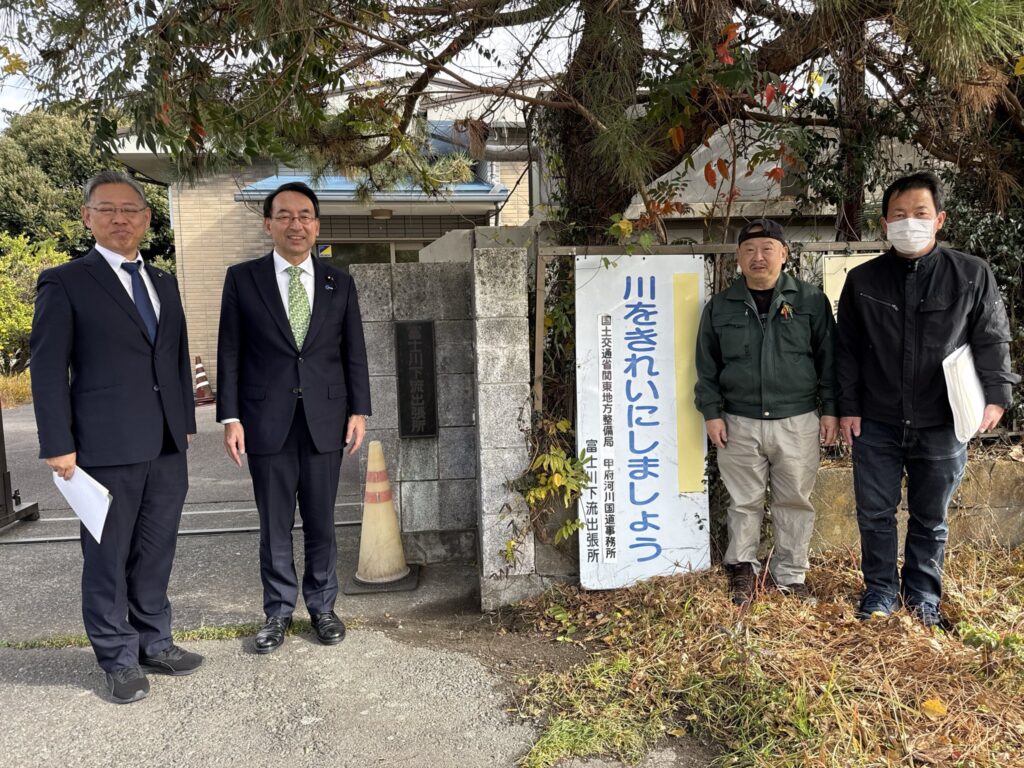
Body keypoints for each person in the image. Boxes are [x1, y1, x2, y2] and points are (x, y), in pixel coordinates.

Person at [30, 171, 201, 704]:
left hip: (166, 444)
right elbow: (47, 369)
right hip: (103, 446)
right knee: (107, 556)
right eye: (107, 209)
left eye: (131, 210)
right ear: (88, 217)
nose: (120, 219)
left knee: (156, 550)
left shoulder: (164, 281)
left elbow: (174, 357)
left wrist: (185, 423)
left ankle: (155, 642)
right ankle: (118, 658)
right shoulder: (65, 282)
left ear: (147, 219)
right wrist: (58, 443)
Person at [836, 170, 1018, 627]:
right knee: (875, 514)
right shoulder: (862, 280)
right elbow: (847, 350)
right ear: (884, 224)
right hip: (876, 420)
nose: (909, 222)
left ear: (939, 219)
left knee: (930, 516)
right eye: (898, 215)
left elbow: (991, 337)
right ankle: (879, 591)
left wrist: (996, 396)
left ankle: (922, 597)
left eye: (920, 213)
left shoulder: (971, 274)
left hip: (943, 419)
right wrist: (847, 407)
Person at [217, 181, 371, 654]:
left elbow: (354, 352)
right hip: (266, 421)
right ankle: (278, 612)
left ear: (317, 225)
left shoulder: (338, 282)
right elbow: (230, 352)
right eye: (284, 215)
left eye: (304, 215)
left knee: (322, 521)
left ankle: (322, 607)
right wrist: (230, 418)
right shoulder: (243, 279)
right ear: (268, 224)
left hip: (326, 419)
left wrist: (359, 410)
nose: (295, 224)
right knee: (275, 524)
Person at [695, 219, 838, 606]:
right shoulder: (720, 306)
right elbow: (707, 366)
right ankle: (742, 568)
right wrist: (712, 412)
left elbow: (829, 361)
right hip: (738, 421)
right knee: (744, 501)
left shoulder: (810, 301)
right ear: (738, 257)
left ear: (784, 254)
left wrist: (830, 411)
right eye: (749, 250)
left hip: (797, 420)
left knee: (795, 500)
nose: (758, 257)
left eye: (767, 249)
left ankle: (791, 574)